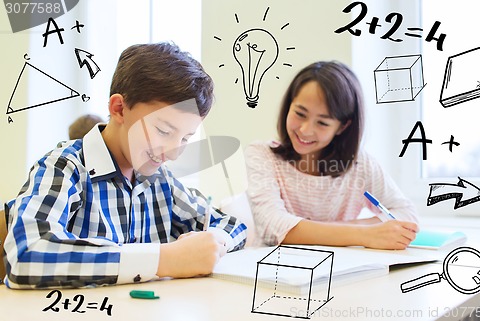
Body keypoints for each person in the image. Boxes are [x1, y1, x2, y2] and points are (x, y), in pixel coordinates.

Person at [3, 42, 247, 289]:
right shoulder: (65, 167)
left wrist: (214, 241)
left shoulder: (160, 179)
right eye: (163, 131)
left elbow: (232, 225)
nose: (173, 154)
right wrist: (164, 259)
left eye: (185, 138)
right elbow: (26, 255)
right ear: (119, 108)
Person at [245, 61, 418, 250]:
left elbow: (407, 215)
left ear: (342, 127)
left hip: (339, 270)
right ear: (288, 106)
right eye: (300, 114)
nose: (305, 130)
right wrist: (364, 234)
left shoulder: (360, 164)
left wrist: (336, 232)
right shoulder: (262, 154)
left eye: (322, 123)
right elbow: (273, 226)